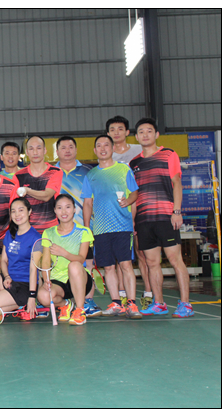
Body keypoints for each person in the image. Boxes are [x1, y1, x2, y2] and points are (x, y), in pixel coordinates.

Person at [130, 118, 194, 318]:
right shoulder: (134, 163)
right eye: (141, 132)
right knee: (151, 263)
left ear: (156, 134)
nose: (145, 135)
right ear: (136, 137)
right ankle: (159, 304)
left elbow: (177, 183)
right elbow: (134, 195)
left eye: (149, 131)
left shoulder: (169, 154)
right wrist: (133, 222)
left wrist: (177, 211)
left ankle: (186, 304)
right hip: (144, 220)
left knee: (175, 260)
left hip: (166, 217)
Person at [82, 135, 142, 319]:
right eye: (99, 146)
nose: (103, 148)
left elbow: (135, 193)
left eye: (106, 145)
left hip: (122, 227)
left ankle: (131, 304)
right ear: (94, 150)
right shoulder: (91, 175)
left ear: (112, 148)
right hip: (100, 229)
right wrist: (87, 228)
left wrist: (128, 201)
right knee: (108, 268)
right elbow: (87, 204)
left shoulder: (124, 169)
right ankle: (116, 303)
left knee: (125, 265)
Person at [106, 115, 152, 309]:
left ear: (127, 132)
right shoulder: (107, 154)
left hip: (142, 207)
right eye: (112, 129)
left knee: (142, 253)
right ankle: (122, 294)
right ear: (108, 133)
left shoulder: (139, 150)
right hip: (119, 212)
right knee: (120, 256)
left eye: (120, 129)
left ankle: (148, 292)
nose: (116, 132)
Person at [54, 136, 100, 317]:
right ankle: (64, 302)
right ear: (57, 151)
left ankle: (88, 301)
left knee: (87, 265)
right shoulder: (52, 172)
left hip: (83, 228)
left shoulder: (88, 171)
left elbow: (92, 200)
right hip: (59, 232)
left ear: (76, 150)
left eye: (70, 147)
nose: (67, 150)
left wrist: (88, 227)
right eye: (63, 147)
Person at [36, 194, 95, 326]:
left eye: (68, 207)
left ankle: (80, 310)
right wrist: (46, 279)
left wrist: (64, 253)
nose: (64, 211)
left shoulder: (84, 232)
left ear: (74, 209)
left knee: (74, 265)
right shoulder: (48, 233)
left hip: (80, 278)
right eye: (59, 208)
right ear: (55, 211)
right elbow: (46, 261)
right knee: (43, 296)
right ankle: (66, 305)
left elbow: (81, 258)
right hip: (58, 280)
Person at [0, 198, 41, 320]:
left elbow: (33, 269)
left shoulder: (36, 238)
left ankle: (18, 304)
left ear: (29, 212)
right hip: (10, 282)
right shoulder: (9, 233)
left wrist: (32, 296)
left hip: (24, 286)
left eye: (21, 210)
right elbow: (3, 260)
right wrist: (7, 276)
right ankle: (16, 306)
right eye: (13, 211)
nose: (17, 214)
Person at [10, 136, 63, 235]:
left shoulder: (55, 172)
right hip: (27, 232)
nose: (35, 152)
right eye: (31, 149)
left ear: (45, 150)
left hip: (51, 231)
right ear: (27, 152)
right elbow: (13, 205)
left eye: (38, 148)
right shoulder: (18, 176)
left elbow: (47, 195)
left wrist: (27, 190)